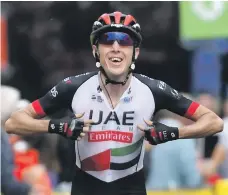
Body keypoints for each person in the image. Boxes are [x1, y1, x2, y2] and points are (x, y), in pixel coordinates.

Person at [5, 11, 224, 195]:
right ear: (95, 50)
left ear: (135, 52)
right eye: (108, 40)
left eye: (125, 41)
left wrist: (173, 133)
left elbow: (213, 122)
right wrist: (57, 126)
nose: (116, 47)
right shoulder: (72, 87)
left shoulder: (153, 89)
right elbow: (14, 122)